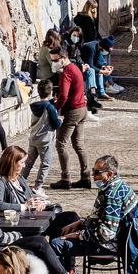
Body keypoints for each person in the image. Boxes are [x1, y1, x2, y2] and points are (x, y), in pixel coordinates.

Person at [49, 154, 135, 274]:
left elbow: (106, 233)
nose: (93, 176)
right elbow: (101, 217)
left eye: (97, 173)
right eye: (93, 172)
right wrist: (81, 223)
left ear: (110, 174)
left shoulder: (112, 196)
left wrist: (80, 235)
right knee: (63, 228)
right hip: (108, 238)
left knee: (56, 244)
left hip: (108, 245)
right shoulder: (118, 186)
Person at [50, 47, 90, 190]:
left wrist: (55, 107)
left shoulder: (66, 73)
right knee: (79, 145)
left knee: (60, 144)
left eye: (55, 60)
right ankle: (86, 177)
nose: (53, 62)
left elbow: (64, 95)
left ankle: (65, 178)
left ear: (63, 58)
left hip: (72, 111)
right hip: (82, 109)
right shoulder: (75, 68)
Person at [22, 78, 60, 188]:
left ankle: (21, 181)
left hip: (34, 138)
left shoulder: (35, 105)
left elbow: (45, 106)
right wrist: (61, 120)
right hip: (45, 140)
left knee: (28, 162)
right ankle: (38, 186)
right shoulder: (50, 108)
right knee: (45, 164)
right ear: (51, 92)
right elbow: (56, 124)